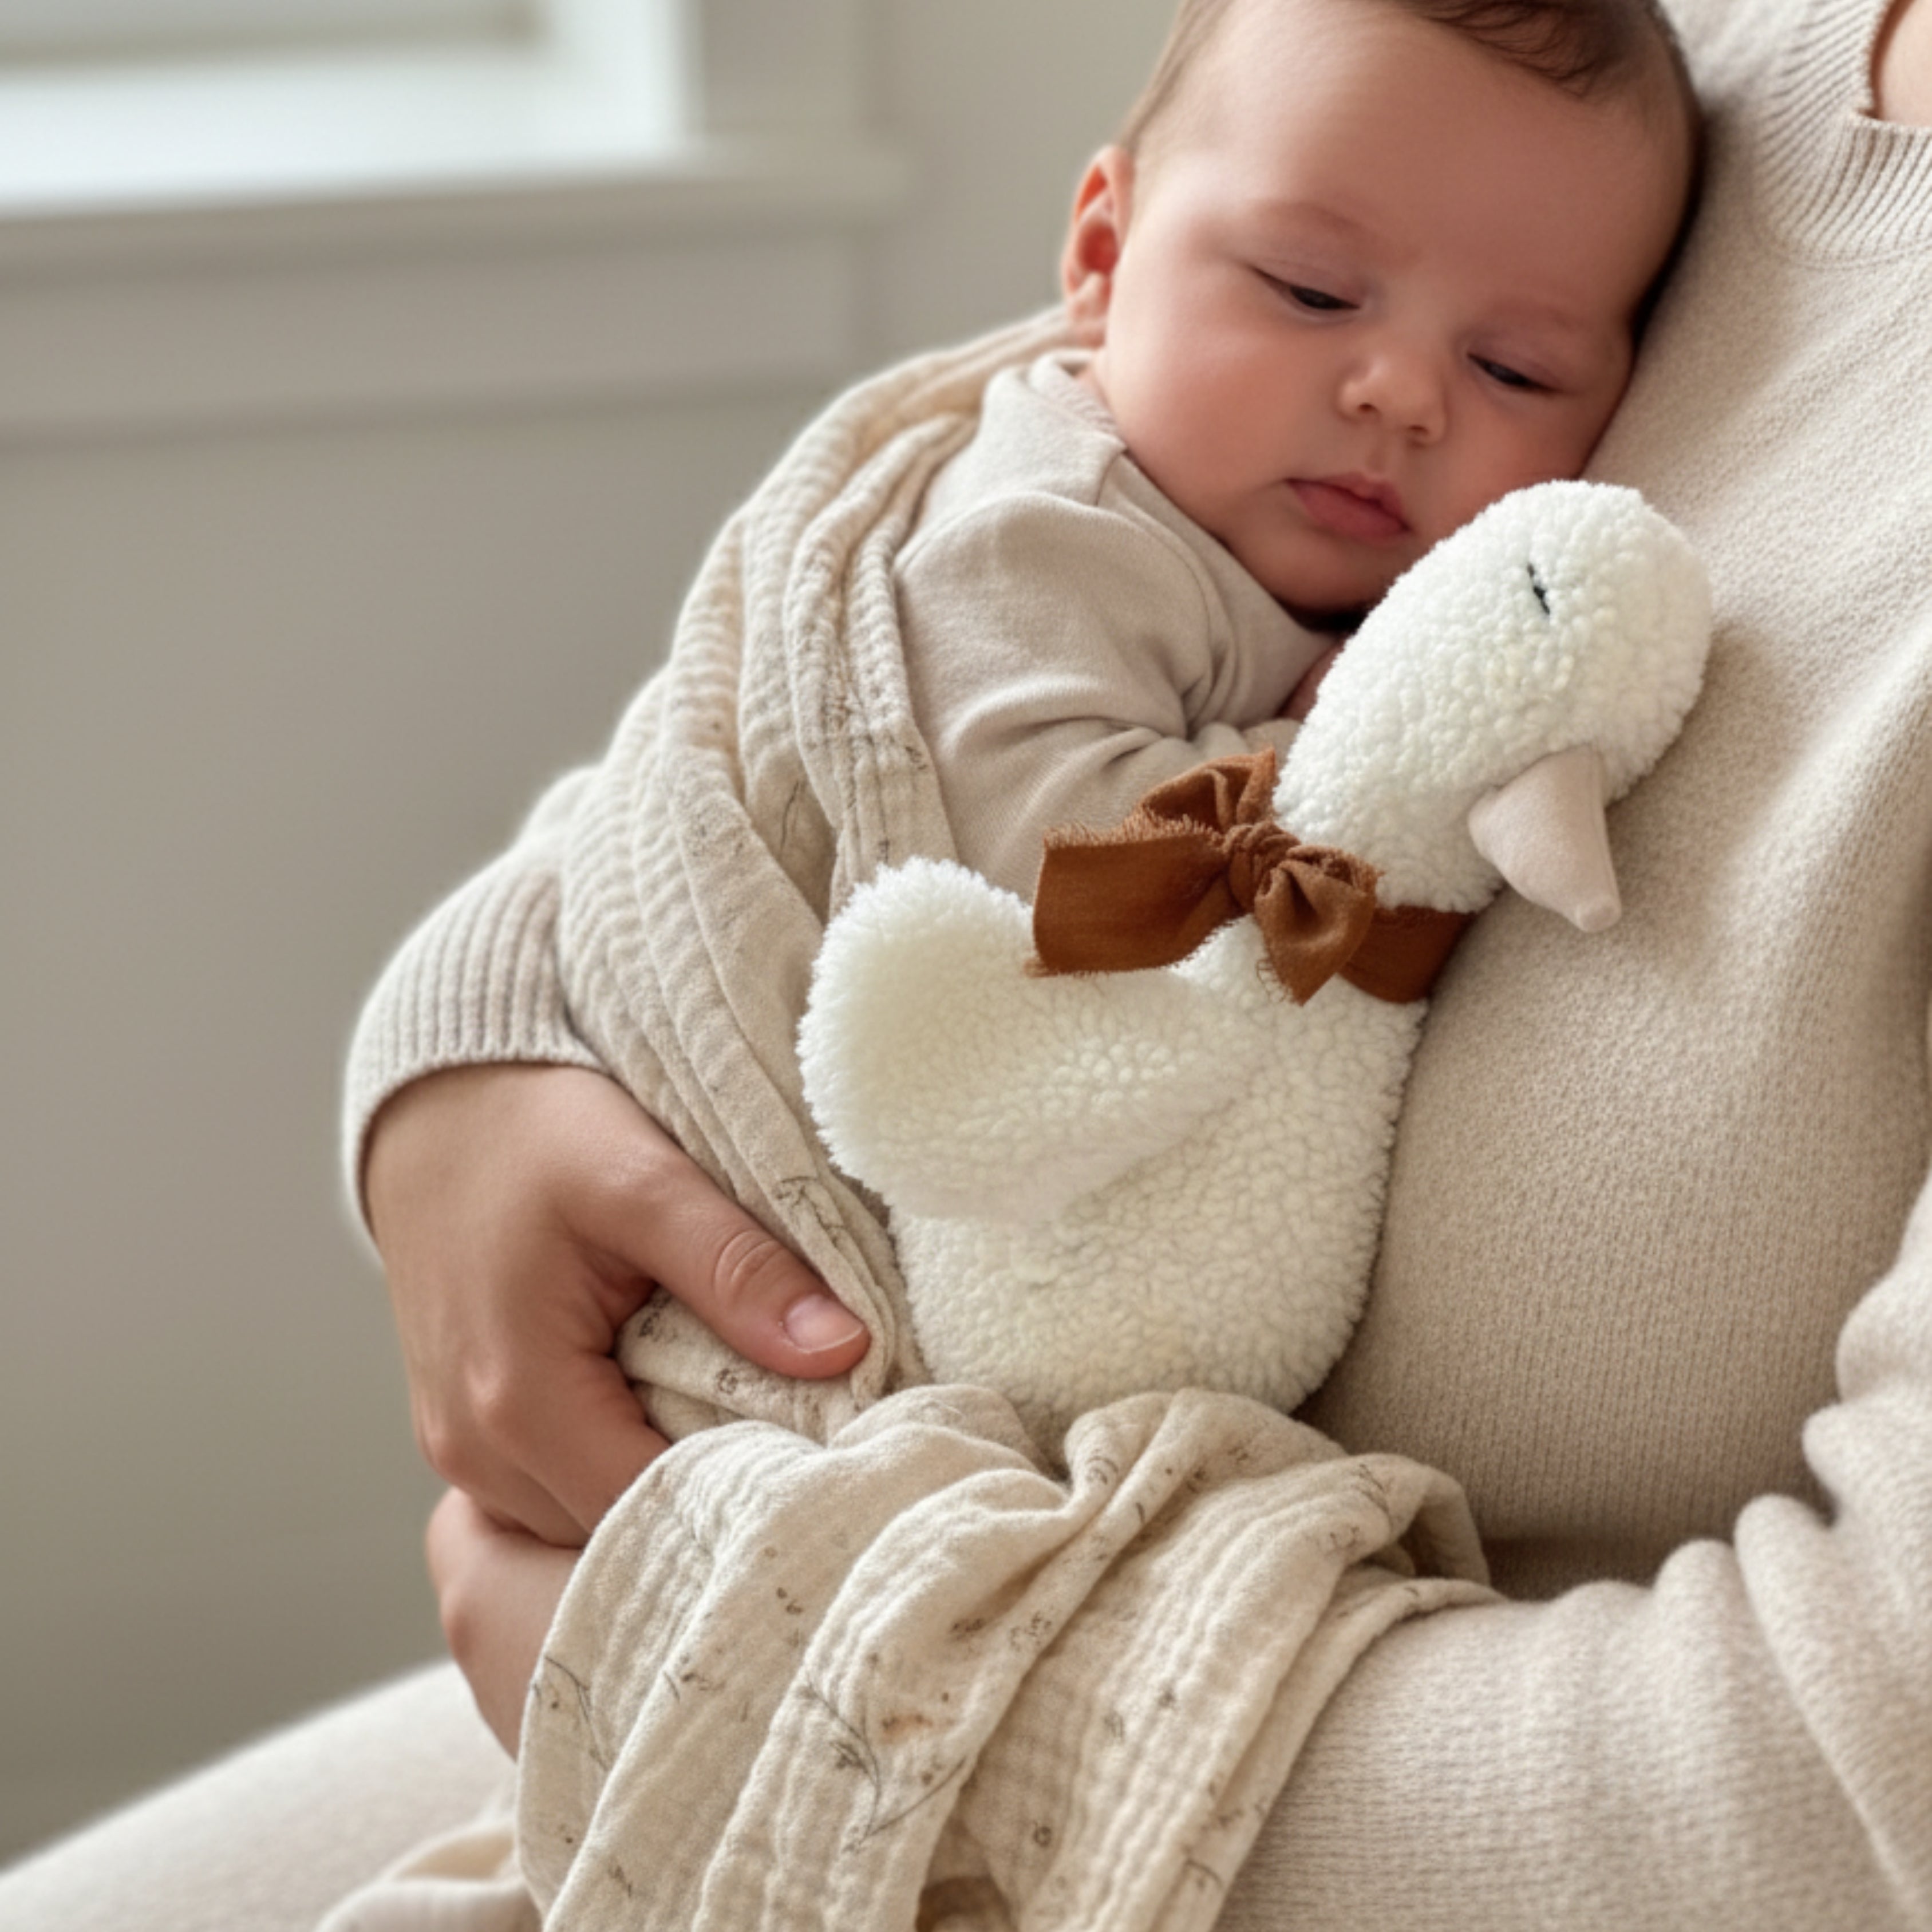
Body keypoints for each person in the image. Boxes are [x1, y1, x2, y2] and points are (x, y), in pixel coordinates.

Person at [2, 0, 1927, 1921]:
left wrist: (767, 1666)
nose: (1408, 397)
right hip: (817, 1507)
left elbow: (1843, 1806)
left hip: (1134, 1737)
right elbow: (864, 652)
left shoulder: (1592, 158)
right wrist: (484, 1051)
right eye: (1310, 291)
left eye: (1513, 368)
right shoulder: (1647, 55)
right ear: (1102, 242)